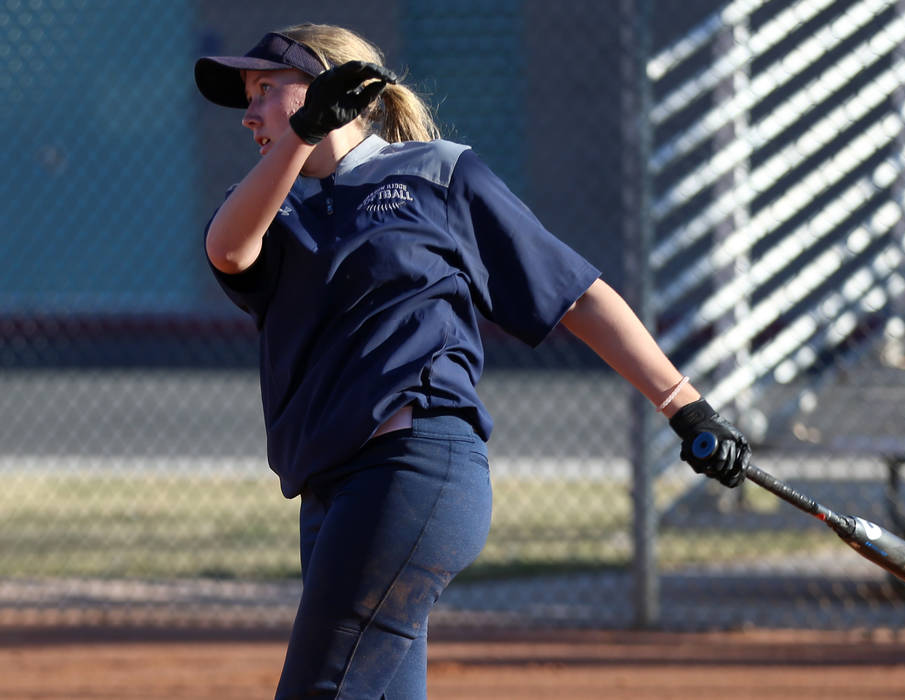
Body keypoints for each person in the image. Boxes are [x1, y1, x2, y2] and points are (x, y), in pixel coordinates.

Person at [195, 22, 751, 700]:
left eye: (267, 90)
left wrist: (684, 405)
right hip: (329, 492)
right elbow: (229, 251)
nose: (249, 113)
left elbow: (575, 295)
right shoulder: (267, 204)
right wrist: (301, 134)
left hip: (412, 470)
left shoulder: (437, 175)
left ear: (333, 88)